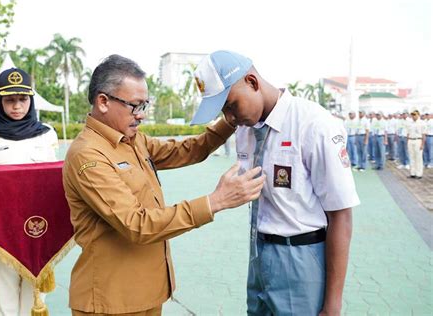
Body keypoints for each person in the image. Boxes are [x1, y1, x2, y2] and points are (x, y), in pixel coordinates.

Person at [62, 54, 265, 316]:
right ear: (103, 102)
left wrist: (229, 120)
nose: (142, 115)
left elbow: (187, 150)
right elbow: (137, 224)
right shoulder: (88, 155)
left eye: (144, 105)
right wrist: (215, 202)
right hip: (111, 300)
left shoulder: (133, 140)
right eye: (135, 106)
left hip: (146, 292)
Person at [191, 50, 360, 315]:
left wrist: (333, 304)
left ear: (252, 82)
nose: (230, 119)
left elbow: (341, 215)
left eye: (231, 105)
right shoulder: (246, 130)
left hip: (301, 257)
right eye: (223, 112)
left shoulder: (314, 125)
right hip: (259, 253)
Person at [0, 67, 58, 315]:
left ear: (30, 100)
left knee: (35, 293)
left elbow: (52, 181)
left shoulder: (46, 134)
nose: (17, 106)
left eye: (22, 99)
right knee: (6, 293)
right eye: (9, 100)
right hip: (1, 226)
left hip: (39, 225)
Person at [406, 109, 426, 179]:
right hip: (410, 140)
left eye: (414, 115)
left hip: (418, 140)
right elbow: (408, 133)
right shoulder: (409, 123)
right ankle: (412, 173)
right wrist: (407, 142)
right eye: (412, 115)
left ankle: (419, 174)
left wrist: (422, 144)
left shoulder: (422, 123)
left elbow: (424, 134)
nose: (413, 116)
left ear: (418, 115)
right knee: (411, 157)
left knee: (418, 158)